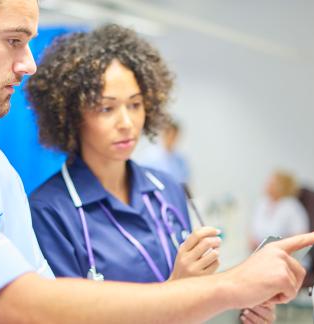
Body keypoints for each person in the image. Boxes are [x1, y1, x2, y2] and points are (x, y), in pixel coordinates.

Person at [0, 1, 314, 323]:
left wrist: (212, 294)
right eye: (13, 40)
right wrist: (227, 286)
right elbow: (17, 307)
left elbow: (57, 306)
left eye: (135, 105)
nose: (28, 63)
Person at [27, 25, 220, 284]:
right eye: (107, 108)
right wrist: (175, 290)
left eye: (135, 104)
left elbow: (197, 294)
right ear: (71, 116)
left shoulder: (167, 189)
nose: (127, 122)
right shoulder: (50, 211)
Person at [251, 170, 310, 251]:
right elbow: (253, 233)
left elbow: (300, 237)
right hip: (262, 254)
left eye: (272, 183)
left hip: (285, 256)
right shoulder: (262, 203)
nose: (267, 185)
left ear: (283, 186)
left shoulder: (292, 206)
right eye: (268, 182)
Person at [141, 119, 191, 185]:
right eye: (170, 135)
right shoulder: (151, 157)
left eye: (174, 136)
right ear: (164, 135)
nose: (172, 139)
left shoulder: (180, 159)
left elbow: (184, 180)